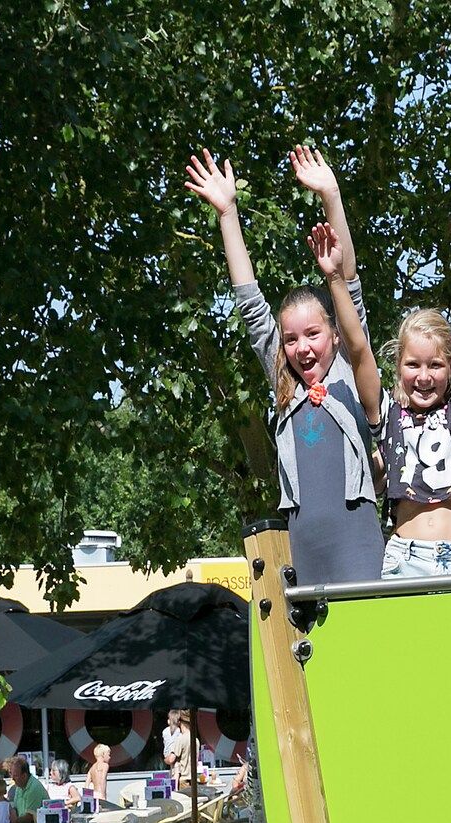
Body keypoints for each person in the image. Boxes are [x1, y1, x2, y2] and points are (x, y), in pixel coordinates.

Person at [185, 145, 384, 586]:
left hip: (357, 545)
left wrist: (332, 197)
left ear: (333, 334)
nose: (302, 347)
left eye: (313, 334)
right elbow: (251, 306)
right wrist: (227, 214)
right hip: (302, 551)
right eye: (291, 339)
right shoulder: (285, 383)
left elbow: (349, 286)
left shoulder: (349, 369)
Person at [329, 201, 451, 580]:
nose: (423, 376)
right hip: (404, 558)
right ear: (398, 366)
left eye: (435, 365)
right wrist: (335, 279)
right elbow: (357, 349)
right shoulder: (388, 416)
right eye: (413, 364)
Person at [6, 755, 49, 823]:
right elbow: (15, 807)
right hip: (23, 822)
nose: (12, 779)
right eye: (12, 775)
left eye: (16, 776)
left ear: (24, 776)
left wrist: (13, 821)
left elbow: (29, 817)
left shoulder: (34, 788)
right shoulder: (19, 786)